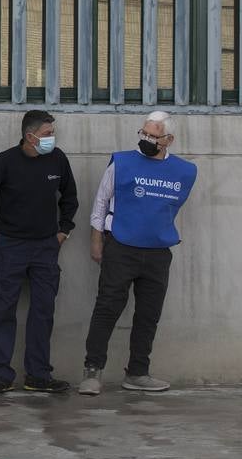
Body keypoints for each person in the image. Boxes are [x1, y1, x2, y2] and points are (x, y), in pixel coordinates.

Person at [79, 112, 197, 396]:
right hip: (121, 247)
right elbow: (100, 203)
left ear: (168, 140)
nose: (145, 140)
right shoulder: (122, 163)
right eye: (143, 133)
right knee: (107, 308)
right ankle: (92, 370)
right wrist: (97, 242)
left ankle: (138, 372)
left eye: (153, 136)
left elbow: (171, 209)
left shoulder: (185, 171)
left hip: (158, 251)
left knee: (148, 315)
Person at [0, 109, 78, 394]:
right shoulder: (4, 163)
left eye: (52, 133)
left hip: (46, 248)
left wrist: (63, 231)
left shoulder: (58, 159)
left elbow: (70, 198)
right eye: (47, 134)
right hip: (10, 247)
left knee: (43, 310)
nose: (51, 139)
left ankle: (38, 374)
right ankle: (1, 374)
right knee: (3, 309)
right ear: (29, 136)